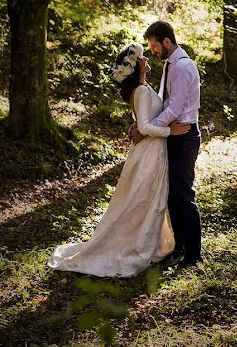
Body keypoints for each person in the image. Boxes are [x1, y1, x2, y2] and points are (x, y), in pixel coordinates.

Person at [48, 43, 191, 277]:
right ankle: (132, 245)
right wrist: (170, 132)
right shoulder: (142, 91)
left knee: (148, 198)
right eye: (142, 58)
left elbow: (143, 122)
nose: (147, 60)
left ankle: (150, 242)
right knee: (144, 199)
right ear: (135, 67)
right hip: (149, 152)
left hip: (151, 149)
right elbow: (145, 126)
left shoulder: (143, 88)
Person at [132, 21, 203, 269]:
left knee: (183, 194)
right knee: (171, 193)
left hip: (184, 136)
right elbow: (165, 102)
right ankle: (180, 246)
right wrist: (146, 124)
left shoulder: (182, 67)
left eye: (154, 46)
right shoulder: (171, 65)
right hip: (173, 135)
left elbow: (174, 108)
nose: (152, 51)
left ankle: (194, 254)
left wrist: (148, 128)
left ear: (166, 42)